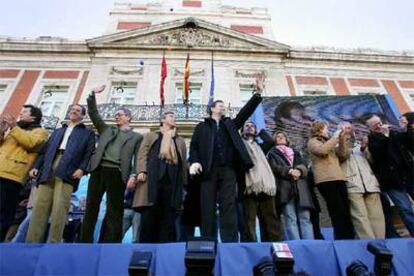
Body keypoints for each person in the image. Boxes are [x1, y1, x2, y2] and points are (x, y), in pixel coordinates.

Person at [189, 86, 263, 242]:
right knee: (207, 205)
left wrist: (257, 95)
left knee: (228, 205)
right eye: (220, 105)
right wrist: (194, 161)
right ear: (212, 109)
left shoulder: (229, 124)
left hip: (228, 169)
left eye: (223, 105)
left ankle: (230, 240)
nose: (223, 107)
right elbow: (194, 146)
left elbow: (245, 113)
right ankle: (208, 240)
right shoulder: (201, 127)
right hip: (208, 170)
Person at [80, 85, 143, 243]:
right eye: (116, 115)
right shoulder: (106, 130)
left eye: (120, 115)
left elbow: (138, 157)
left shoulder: (136, 137)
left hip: (118, 173)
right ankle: (84, 242)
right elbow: (94, 113)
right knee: (91, 208)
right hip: (99, 170)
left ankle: (109, 243)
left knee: (114, 211)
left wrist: (133, 175)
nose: (116, 117)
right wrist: (92, 94)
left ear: (128, 118)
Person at [25, 104, 95, 243]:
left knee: (59, 209)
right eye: (72, 110)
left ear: (82, 116)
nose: (73, 112)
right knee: (40, 207)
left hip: (69, 169)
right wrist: (36, 167)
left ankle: (54, 242)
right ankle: (32, 242)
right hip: (49, 166)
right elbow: (44, 151)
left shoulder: (87, 133)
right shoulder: (57, 131)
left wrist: (82, 169)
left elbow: (89, 153)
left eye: (77, 111)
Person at [132, 111, 187, 243]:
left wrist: (184, 184)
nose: (175, 118)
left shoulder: (179, 140)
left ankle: (165, 247)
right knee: (150, 213)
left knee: (169, 215)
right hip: (152, 179)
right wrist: (141, 171)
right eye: (171, 116)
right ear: (163, 120)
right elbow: (142, 154)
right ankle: (146, 247)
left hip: (172, 181)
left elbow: (183, 162)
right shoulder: (151, 136)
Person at [0, 105, 48, 241]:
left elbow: (31, 143)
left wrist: (14, 127)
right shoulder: (14, 130)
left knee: (3, 213)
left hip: (12, 177)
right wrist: (1, 132)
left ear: (34, 117)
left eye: (25, 111)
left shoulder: (40, 132)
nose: (20, 113)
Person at [366, 114, 414, 236]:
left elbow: (411, 142)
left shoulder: (394, 133)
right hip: (392, 181)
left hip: (408, 175)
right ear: (370, 128)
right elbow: (378, 153)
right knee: (405, 209)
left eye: (379, 122)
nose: (379, 125)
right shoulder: (372, 140)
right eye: (374, 125)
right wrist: (385, 136)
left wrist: (406, 128)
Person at [307, 121, 354, 240]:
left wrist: (342, 138)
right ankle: (341, 238)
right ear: (319, 129)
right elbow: (322, 151)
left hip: (339, 178)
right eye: (326, 128)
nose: (328, 130)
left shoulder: (331, 142)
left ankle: (350, 237)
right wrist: (335, 137)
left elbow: (343, 155)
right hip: (326, 181)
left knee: (345, 209)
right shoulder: (313, 142)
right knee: (336, 210)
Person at [340, 123, 385, 239]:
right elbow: (342, 155)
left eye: (350, 128)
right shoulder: (338, 145)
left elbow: (371, 160)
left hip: (370, 182)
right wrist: (344, 139)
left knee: (377, 215)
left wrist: (365, 148)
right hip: (352, 184)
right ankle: (369, 244)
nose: (349, 130)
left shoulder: (360, 144)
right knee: (360, 216)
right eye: (346, 128)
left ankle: (381, 242)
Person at [268, 131, 315, 240]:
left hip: (301, 188)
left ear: (287, 139)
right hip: (285, 189)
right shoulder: (272, 153)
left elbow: (304, 165)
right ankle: (296, 245)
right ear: (274, 141)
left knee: (305, 218)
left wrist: (299, 171)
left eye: (282, 136)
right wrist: (289, 171)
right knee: (290, 218)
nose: (280, 138)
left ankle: (309, 244)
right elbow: (274, 168)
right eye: (278, 137)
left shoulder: (296, 152)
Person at [239, 121, 282, 242]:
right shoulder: (240, 146)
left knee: (270, 217)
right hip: (249, 185)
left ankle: (275, 243)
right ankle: (251, 245)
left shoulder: (261, 147)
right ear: (242, 131)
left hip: (265, 185)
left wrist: (260, 133)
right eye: (246, 126)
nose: (249, 128)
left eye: (252, 126)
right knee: (249, 218)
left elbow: (270, 142)